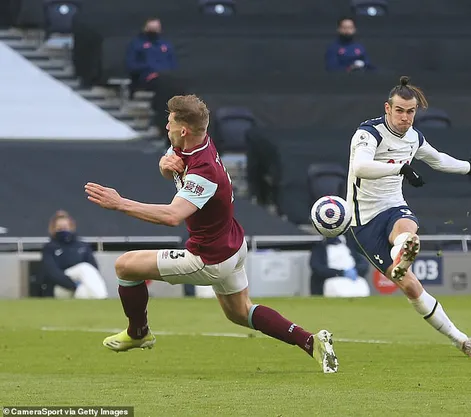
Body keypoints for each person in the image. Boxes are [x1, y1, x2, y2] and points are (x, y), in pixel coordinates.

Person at [84, 95, 338, 374]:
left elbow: (172, 216)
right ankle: (311, 342)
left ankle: (138, 332)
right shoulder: (197, 140)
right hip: (232, 244)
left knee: (125, 266)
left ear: (183, 130)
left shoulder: (204, 170)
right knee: (240, 313)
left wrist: (119, 203)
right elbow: (171, 163)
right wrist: (164, 165)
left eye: (169, 123)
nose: (166, 127)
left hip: (208, 258)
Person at [345, 76, 471, 358]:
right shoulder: (368, 133)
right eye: (399, 110)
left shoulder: (414, 138)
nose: (404, 117)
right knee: (412, 288)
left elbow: (436, 158)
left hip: (393, 205)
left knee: (407, 228)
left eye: (410, 111)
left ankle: (404, 252)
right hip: (363, 220)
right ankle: (458, 338)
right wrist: (399, 168)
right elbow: (361, 167)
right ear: (387, 108)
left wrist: (467, 168)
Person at [40, 210, 108, 299]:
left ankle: (96, 299)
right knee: (84, 268)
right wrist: (73, 285)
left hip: (81, 285)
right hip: (60, 287)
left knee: (83, 291)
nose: (63, 230)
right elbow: (52, 272)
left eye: (65, 227)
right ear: (53, 228)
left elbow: (93, 269)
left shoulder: (82, 246)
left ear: (71, 227)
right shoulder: (49, 248)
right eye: (59, 228)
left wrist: (79, 285)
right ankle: (103, 297)